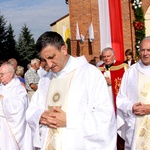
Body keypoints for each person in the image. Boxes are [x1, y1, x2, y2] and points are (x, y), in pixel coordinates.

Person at [26, 31, 117, 150]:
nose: (49, 64)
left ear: (63, 49)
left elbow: (105, 117)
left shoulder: (89, 74)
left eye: (51, 57)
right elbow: (32, 110)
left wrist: (69, 120)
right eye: (44, 60)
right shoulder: (45, 80)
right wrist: (40, 116)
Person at [117, 36, 150, 149]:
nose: (145, 53)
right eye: (142, 50)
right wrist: (131, 107)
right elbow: (121, 97)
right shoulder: (131, 72)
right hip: (135, 124)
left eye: (149, 50)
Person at [98, 47, 128, 150]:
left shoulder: (122, 67)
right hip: (105, 106)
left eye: (108, 56)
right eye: (104, 57)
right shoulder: (98, 70)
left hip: (118, 105)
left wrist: (112, 81)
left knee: (120, 131)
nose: (106, 59)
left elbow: (127, 84)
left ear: (114, 56)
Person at [0, 63, 33, 150]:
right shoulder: (2, 87)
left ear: (10, 74)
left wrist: (2, 101)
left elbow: (19, 108)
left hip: (9, 129)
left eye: (2, 74)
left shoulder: (19, 89)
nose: (0, 76)